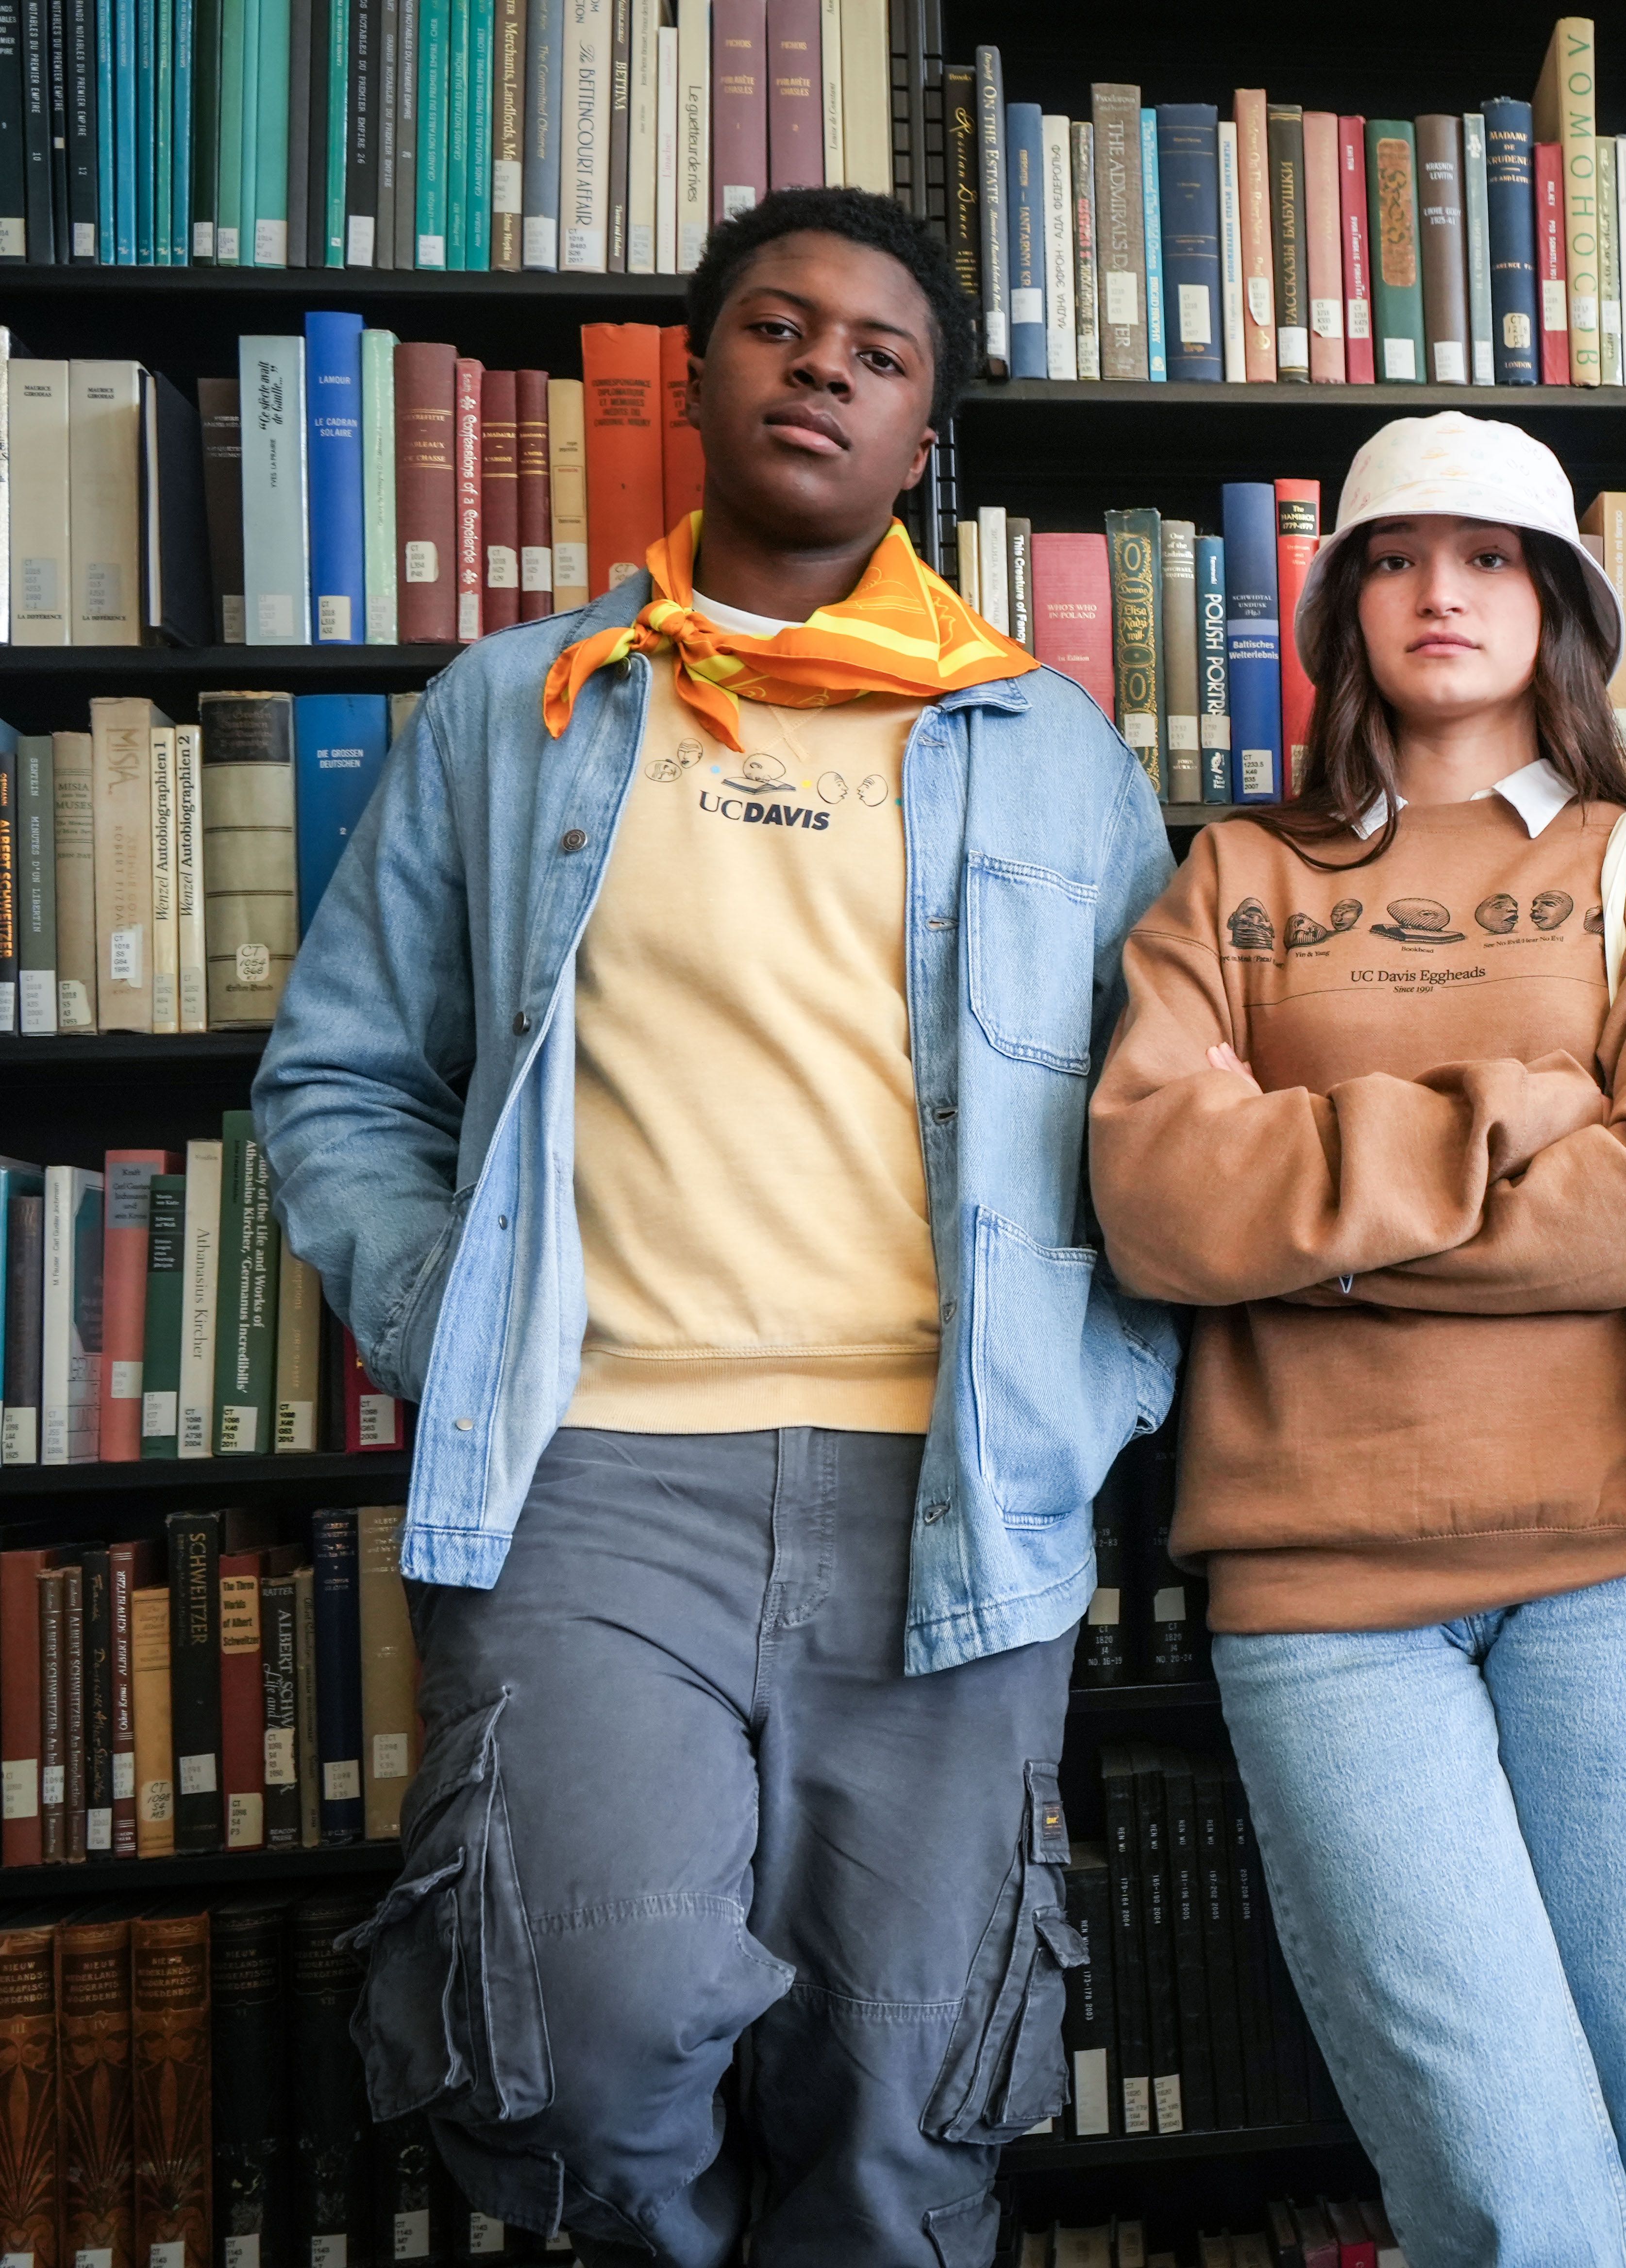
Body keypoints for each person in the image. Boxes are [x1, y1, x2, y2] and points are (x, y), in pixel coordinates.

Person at [253, 186, 1173, 2266]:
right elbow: (336, 1074)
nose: (825, 364)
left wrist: (1097, 1395)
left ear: (925, 427)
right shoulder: (527, 706)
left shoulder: (1048, 749)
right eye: (781, 325)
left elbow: (1167, 1128)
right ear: (700, 370)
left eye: (879, 347)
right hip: (590, 1483)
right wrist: (450, 1315)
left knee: (907, 2092)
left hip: (954, 1495)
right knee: (576, 2039)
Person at [1086, 412, 1626, 2268]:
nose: (1440, 593)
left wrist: (1304, 1243)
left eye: (1489, 558)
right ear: (1341, 612)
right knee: (1513, 2192)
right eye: (1396, 558)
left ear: (1557, 602)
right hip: (1323, 1594)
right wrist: (1503, 1116)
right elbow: (1157, 1204)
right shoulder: (1238, 875)